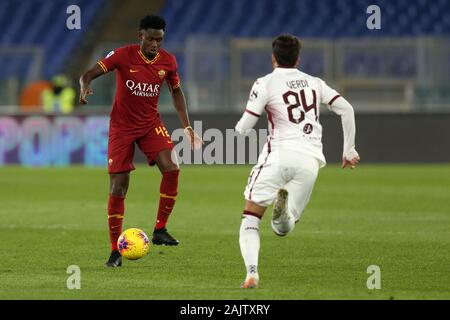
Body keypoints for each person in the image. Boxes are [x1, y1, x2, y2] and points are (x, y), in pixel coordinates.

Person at [235, 34, 360, 288]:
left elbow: (245, 127)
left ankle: (252, 273)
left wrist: (239, 129)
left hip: (278, 156)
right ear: (298, 58)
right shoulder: (315, 83)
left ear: (273, 58)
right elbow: (347, 109)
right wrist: (349, 150)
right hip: (310, 160)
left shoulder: (265, 83)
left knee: (250, 217)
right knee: (283, 229)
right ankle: (282, 213)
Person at [79, 14, 202, 267]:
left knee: (172, 168)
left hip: (150, 125)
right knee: (118, 187)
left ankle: (160, 229)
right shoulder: (123, 55)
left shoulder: (168, 62)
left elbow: (176, 92)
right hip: (122, 128)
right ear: (140, 36)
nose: (155, 44)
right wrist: (84, 85)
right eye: (150, 39)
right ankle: (115, 251)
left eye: (159, 40)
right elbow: (89, 73)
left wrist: (187, 126)